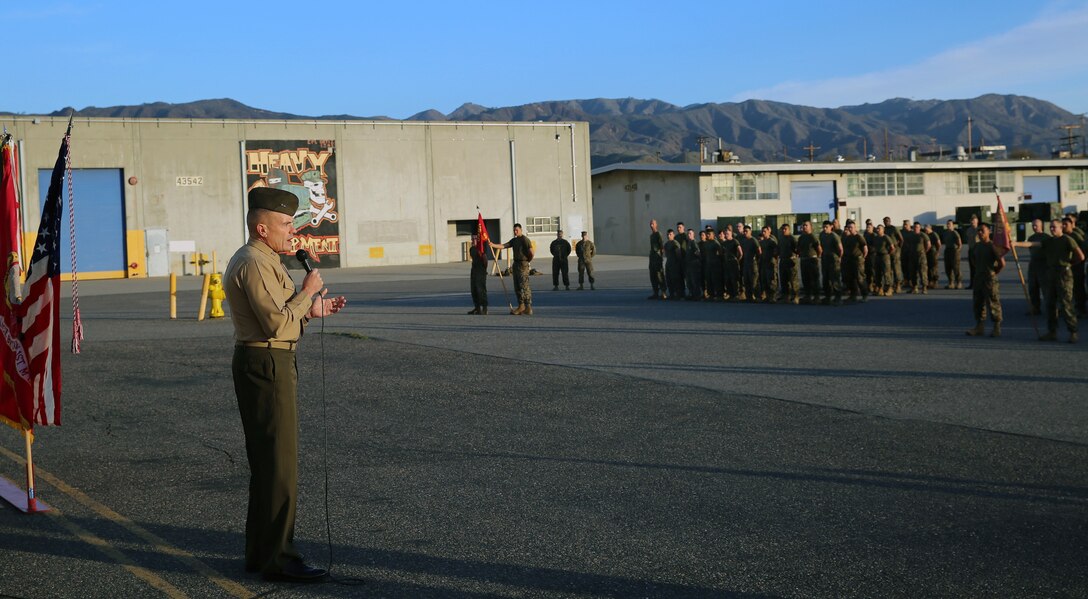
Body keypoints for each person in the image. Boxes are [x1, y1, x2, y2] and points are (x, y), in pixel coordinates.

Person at [224, 187, 347, 582]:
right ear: (262, 228)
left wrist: (311, 310)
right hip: (266, 363)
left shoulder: (265, 259)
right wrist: (307, 293)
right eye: (284, 223)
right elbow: (276, 324)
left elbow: (283, 317)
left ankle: (261, 553)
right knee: (278, 467)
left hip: (269, 359)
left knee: (269, 465)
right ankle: (278, 558)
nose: (291, 230)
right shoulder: (253, 262)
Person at [1017, 218, 1084, 343]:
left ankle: (1073, 332)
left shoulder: (1067, 240)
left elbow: (1080, 256)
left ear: (1061, 228)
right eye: (1051, 227)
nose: (1052, 229)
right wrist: (1015, 244)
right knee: (1050, 304)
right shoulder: (1048, 241)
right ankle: (1052, 331)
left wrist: (1069, 264)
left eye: (1055, 227)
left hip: (1064, 274)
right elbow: (1033, 244)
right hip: (1051, 273)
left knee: (1065, 304)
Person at [965, 223, 1004, 337]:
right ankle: (979, 327)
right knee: (978, 303)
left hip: (989, 279)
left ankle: (997, 328)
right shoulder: (977, 246)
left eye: (982, 230)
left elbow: (1002, 263)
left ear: (989, 231)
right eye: (978, 231)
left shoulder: (992, 246)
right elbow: (973, 260)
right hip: (979, 277)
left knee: (993, 303)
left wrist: (994, 272)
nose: (980, 233)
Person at [491, 223, 534, 314]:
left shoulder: (525, 240)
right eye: (514, 230)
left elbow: (531, 252)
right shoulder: (514, 240)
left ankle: (528, 306)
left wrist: (527, 260)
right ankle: (521, 305)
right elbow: (504, 246)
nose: (515, 232)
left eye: (516, 230)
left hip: (523, 264)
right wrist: (492, 245)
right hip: (516, 264)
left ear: (521, 230)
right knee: (517, 286)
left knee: (524, 285)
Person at [1025, 219, 1048, 315]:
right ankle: (1035, 307)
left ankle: (1051, 308)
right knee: (1032, 288)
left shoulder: (1046, 237)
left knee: (1046, 288)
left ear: (1041, 226)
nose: (1034, 227)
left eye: (1036, 226)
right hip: (1033, 264)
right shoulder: (1031, 238)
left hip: (1043, 265)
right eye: (1033, 225)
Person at [841, 220, 868, 302]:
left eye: (851, 227)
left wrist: (862, 258)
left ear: (855, 228)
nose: (850, 229)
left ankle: (864, 295)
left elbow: (865, 249)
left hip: (858, 259)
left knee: (860, 278)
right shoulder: (847, 237)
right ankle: (853, 295)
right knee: (851, 278)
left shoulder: (859, 237)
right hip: (849, 260)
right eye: (848, 227)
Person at [796, 220, 822, 303]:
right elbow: (799, 249)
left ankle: (816, 297)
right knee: (805, 279)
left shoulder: (812, 237)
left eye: (806, 225)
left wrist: (816, 256)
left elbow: (819, 249)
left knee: (814, 279)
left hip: (812, 259)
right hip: (804, 259)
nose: (804, 227)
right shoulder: (801, 238)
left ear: (811, 227)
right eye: (803, 225)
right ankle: (808, 296)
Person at [819, 220, 843, 305]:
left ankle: (838, 297)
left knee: (835, 278)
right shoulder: (821, 235)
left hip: (833, 259)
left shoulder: (834, 236)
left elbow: (840, 249)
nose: (825, 229)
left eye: (827, 227)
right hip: (825, 258)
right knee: (826, 278)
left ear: (831, 227)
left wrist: (839, 258)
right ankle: (828, 297)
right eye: (824, 227)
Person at [778, 223, 799, 304]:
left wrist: (795, 256)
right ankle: (786, 296)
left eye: (785, 229)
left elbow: (797, 249)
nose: (783, 230)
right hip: (783, 260)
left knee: (793, 280)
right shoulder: (781, 238)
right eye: (782, 229)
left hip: (790, 261)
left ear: (789, 230)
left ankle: (795, 297)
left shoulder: (792, 239)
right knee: (784, 280)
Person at [468, 232, 489, 315]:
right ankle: (477, 308)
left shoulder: (481, 249)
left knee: (481, 290)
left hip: (481, 272)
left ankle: (484, 308)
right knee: (474, 290)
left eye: (475, 238)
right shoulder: (472, 249)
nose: (473, 240)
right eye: (472, 239)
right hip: (474, 271)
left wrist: (483, 270)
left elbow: (485, 261)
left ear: (478, 239)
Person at [739, 225, 761, 302]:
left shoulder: (753, 240)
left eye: (746, 231)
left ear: (750, 232)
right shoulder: (743, 241)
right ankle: (748, 297)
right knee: (746, 280)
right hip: (746, 263)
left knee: (753, 281)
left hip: (752, 263)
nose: (745, 233)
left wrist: (756, 260)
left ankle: (755, 296)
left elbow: (759, 251)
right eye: (744, 231)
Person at [758, 226, 779, 303]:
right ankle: (767, 295)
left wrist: (774, 260)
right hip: (764, 263)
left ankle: (773, 296)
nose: (763, 233)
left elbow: (776, 252)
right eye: (762, 231)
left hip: (770, 263)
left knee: (772, 280)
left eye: (765, 231)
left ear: (769, 232)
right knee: (764, 280)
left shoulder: (772, 241)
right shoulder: (762, 242)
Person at [872, 225, 895, 296]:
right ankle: (879, 288)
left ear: (883, 230)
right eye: (877, 228)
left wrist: (888, 253)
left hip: (885, 256)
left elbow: (892, 247)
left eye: (879, 229)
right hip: (877, 256)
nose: (878, 230)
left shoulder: (886, 237)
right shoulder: (875, 238)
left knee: (886, 273)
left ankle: (889, 288)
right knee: (877, 273)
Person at [720, 228, 742, 301]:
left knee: (734, 279)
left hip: (733, 263)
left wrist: (737, 260)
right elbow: (722, 253)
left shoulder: (735, 241)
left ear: (731, 233)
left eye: (728, 233)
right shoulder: (724, 243)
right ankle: (730, 294)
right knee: (727, 279)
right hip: (726, 263)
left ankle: (736, 294)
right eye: (725, 234)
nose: (726, 235)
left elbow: (740, 252)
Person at [941, 220, 963, 289]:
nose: (948, 225)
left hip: (954, 251)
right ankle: (951, 283)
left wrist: (957, 251)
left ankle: (959, 282)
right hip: (947, 250)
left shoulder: (955, 233)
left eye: (950, 224)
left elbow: (960, 244)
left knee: (956, 267)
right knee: (948, 268)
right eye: (947, 224)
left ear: (953, 225)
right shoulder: (945, 233)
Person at [663, 229, 684, 299]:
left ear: (673, 235)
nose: (668, 236)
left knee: (676, 280)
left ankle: (678, 294)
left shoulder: (675, 243)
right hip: (668, 264)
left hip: (675, 265)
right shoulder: (666, 244)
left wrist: (678, 264)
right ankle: (672, 294)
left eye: (670, 234)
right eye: (667, 234)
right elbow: (666, 254)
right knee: (668, 280)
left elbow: (679, 254)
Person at [648, 219, 666, 300]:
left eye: (653, 224)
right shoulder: (651, 235)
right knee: (652, 275)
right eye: (650, 224)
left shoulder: (658, 234)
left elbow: (662, 247)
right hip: (652, 258)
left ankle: (663, 292)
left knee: (659, 275)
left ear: (656, 225)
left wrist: (661, 257)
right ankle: (655, 292)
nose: (651, 225)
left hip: (657, 257)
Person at [683, 228, 703, 299]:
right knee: (689, 281)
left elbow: (697, 252)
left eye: (690, 233)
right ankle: (691, 294)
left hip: (694, 265)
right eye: (688, 233)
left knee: (695, 281)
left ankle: (697, 295)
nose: (689, 235)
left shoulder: (693, 242)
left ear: (693, 234)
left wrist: (698, 260)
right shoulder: (688, 243)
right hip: (689, 265)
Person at [964, 214, 979, 289]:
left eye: (974, 220)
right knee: (972, 269)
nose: (972, 221)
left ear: (977, 221)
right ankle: (972, 284)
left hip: (978, 251)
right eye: (971, 220)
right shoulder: (968, 230)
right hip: (971, 250)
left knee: (978, 269)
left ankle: (979, 284)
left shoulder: (979, 230)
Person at [925, 224, 941, 289]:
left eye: (926, 229)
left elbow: (939, 244)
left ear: (930, 228)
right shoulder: (926, 235)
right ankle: (930, 281)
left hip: (933, 252)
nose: (925, 230)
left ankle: (935, 282)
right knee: (928, 268)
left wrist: (937, 252)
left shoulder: (934, 234)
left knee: (934, 267)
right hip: (927, 253)